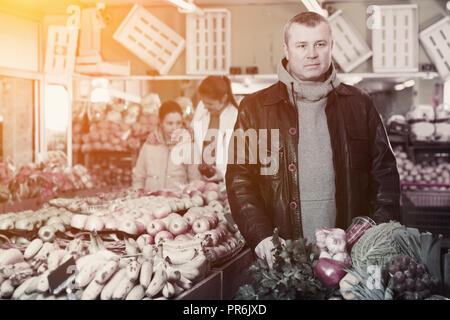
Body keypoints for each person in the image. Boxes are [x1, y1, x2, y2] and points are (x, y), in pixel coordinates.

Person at [225, 11, 400, 268]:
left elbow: (385, 179)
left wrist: (364, 233)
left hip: (349, 258)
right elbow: (240, 178)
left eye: (320, 44)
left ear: (331, 47)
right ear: (286, 50)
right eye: (302, 45)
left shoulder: (360, 104)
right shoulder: (255, 108)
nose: (312, 53)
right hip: (281, 259)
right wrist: (261, 236)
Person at [132, 100, 202, 192]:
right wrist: (138, 197)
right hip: (151, 202)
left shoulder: (190, 147)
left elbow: (195, 181)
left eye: (178, 123)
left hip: (179, 202)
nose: (175, 128)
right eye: (169, 123)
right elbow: (139, 178)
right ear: (161, 123)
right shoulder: (149, 145)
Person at [190, 75, 239, 180]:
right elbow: (192, 133)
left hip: (224, 180)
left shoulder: (236, 118)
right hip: (201, 177)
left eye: (210, 104)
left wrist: (222, 174)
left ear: (224, 98)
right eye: (203, 102)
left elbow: (241, 159)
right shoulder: (202, 108)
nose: (205, 107)